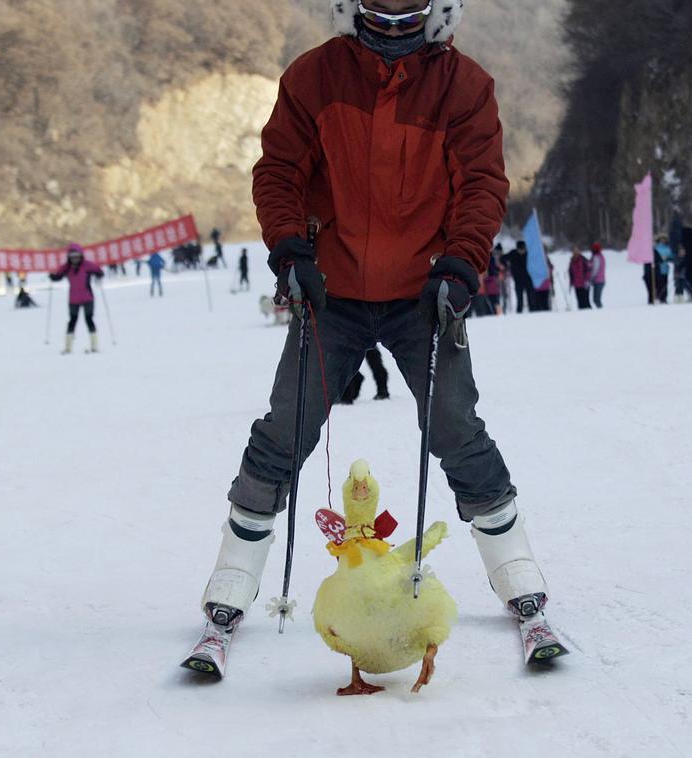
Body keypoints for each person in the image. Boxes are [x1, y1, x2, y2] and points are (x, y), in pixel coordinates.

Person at [195, 0, 557, 663]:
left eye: (409, 8)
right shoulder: (315, 77)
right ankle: (233, 578)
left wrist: (460, 262)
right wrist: (290, 252)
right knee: (287, 427)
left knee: (454, 424)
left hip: (422, 295)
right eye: (380, 7)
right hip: (331, 292)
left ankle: (518, 574)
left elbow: (481, 185)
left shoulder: (464, 87)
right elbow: (278, 172)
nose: (394, 22)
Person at [49, 243, 104, 354]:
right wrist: (53, 277)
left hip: (88, 297)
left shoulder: (87, 265)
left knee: (89, 320)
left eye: (77, 256)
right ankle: (68, 347)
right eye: (72, 256)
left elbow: (99, 271)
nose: (75, 259)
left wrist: (99, 275)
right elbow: (58, 276)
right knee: (72, 321)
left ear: (81, 256)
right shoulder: (66, 268)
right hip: (73, 299)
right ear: (69, 257)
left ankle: (94, 346)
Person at [501, 241, 533, 313]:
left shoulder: (529, 253)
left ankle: (532, 311)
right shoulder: (513, 253)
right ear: (517, 249)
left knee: (530, 297)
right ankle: (519, 312)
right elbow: (502, 258)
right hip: (518, 279)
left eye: (523, 249)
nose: (522, 251)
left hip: (529, 279)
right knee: (519, 298)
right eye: (520, 250)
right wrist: (506, 266)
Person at [589, 243, 606, 308]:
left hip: (598, 280)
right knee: (596, 299)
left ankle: (601, 312)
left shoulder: (596, 257)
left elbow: (595, 269)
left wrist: (591, 278)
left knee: (596, 299)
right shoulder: (601, 256)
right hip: (601, 280)